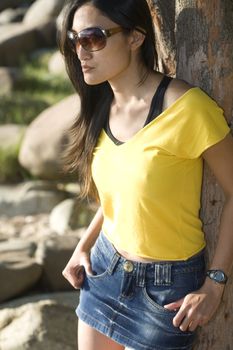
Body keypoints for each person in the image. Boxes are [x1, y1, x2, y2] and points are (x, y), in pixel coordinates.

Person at [59, 0, 233, 349]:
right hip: (104, 271)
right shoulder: (102, 106)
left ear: (135, 37)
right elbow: (121, 195)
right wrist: (85, 245)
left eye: (93, 38)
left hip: (166, 292)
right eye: (75, 39)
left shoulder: (187, 108)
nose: (81, 52)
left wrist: (215, 283)